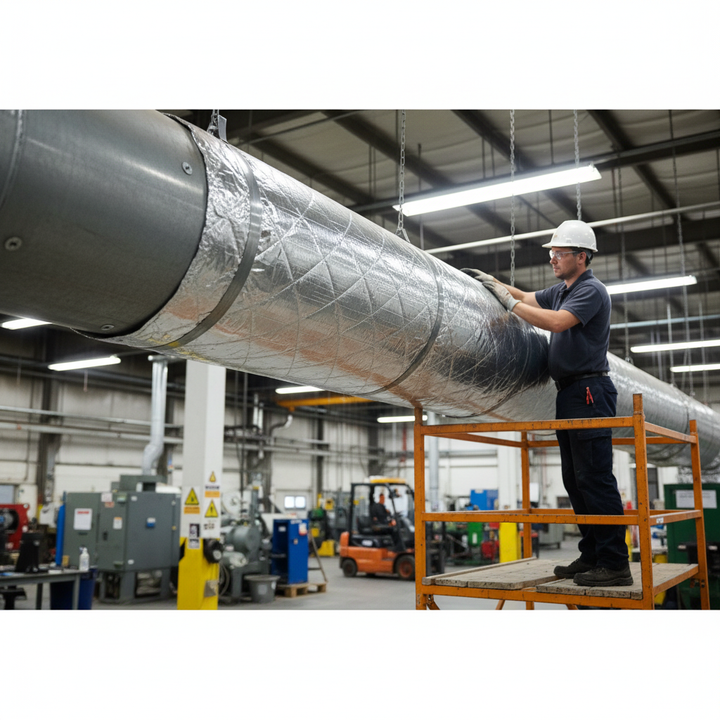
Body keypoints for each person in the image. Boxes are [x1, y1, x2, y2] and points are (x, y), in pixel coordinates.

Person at [463, 220, 631, 587]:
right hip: (569, 393)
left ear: (582, 257)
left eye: (560, 252)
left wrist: (508, 302)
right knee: (574, 479)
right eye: (552, 252)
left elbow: (556, 323)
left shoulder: (590, 291)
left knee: (595, 477)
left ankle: (616, 563)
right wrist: (492, 283)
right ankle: (592, 555)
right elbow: (525, 297)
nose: (553, 258)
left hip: (590, 392)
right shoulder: (563, 290)